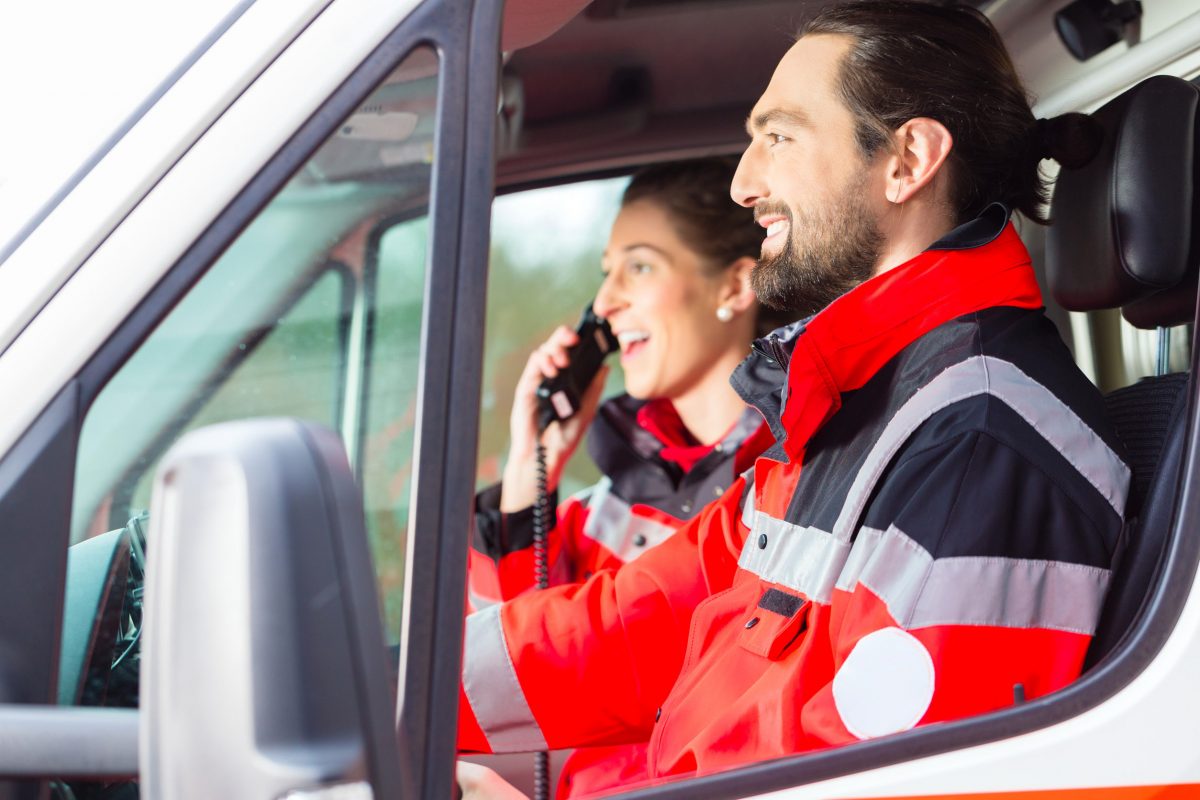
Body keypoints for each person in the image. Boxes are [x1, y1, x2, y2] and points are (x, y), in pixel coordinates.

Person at [457, 0, 1128, 792]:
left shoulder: (982, 442)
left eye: (778, 137)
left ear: (908, 159)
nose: (745, 182)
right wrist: (410, 689)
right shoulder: (854, 412)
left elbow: (871, 782)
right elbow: (629, 628)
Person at [467, 157, 787, 797]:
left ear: (734, 288)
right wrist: (536, 457)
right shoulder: (605, 506)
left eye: (638, 268)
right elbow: (495, 646)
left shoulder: (787, 488)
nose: (605, 305)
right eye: (605, 274)